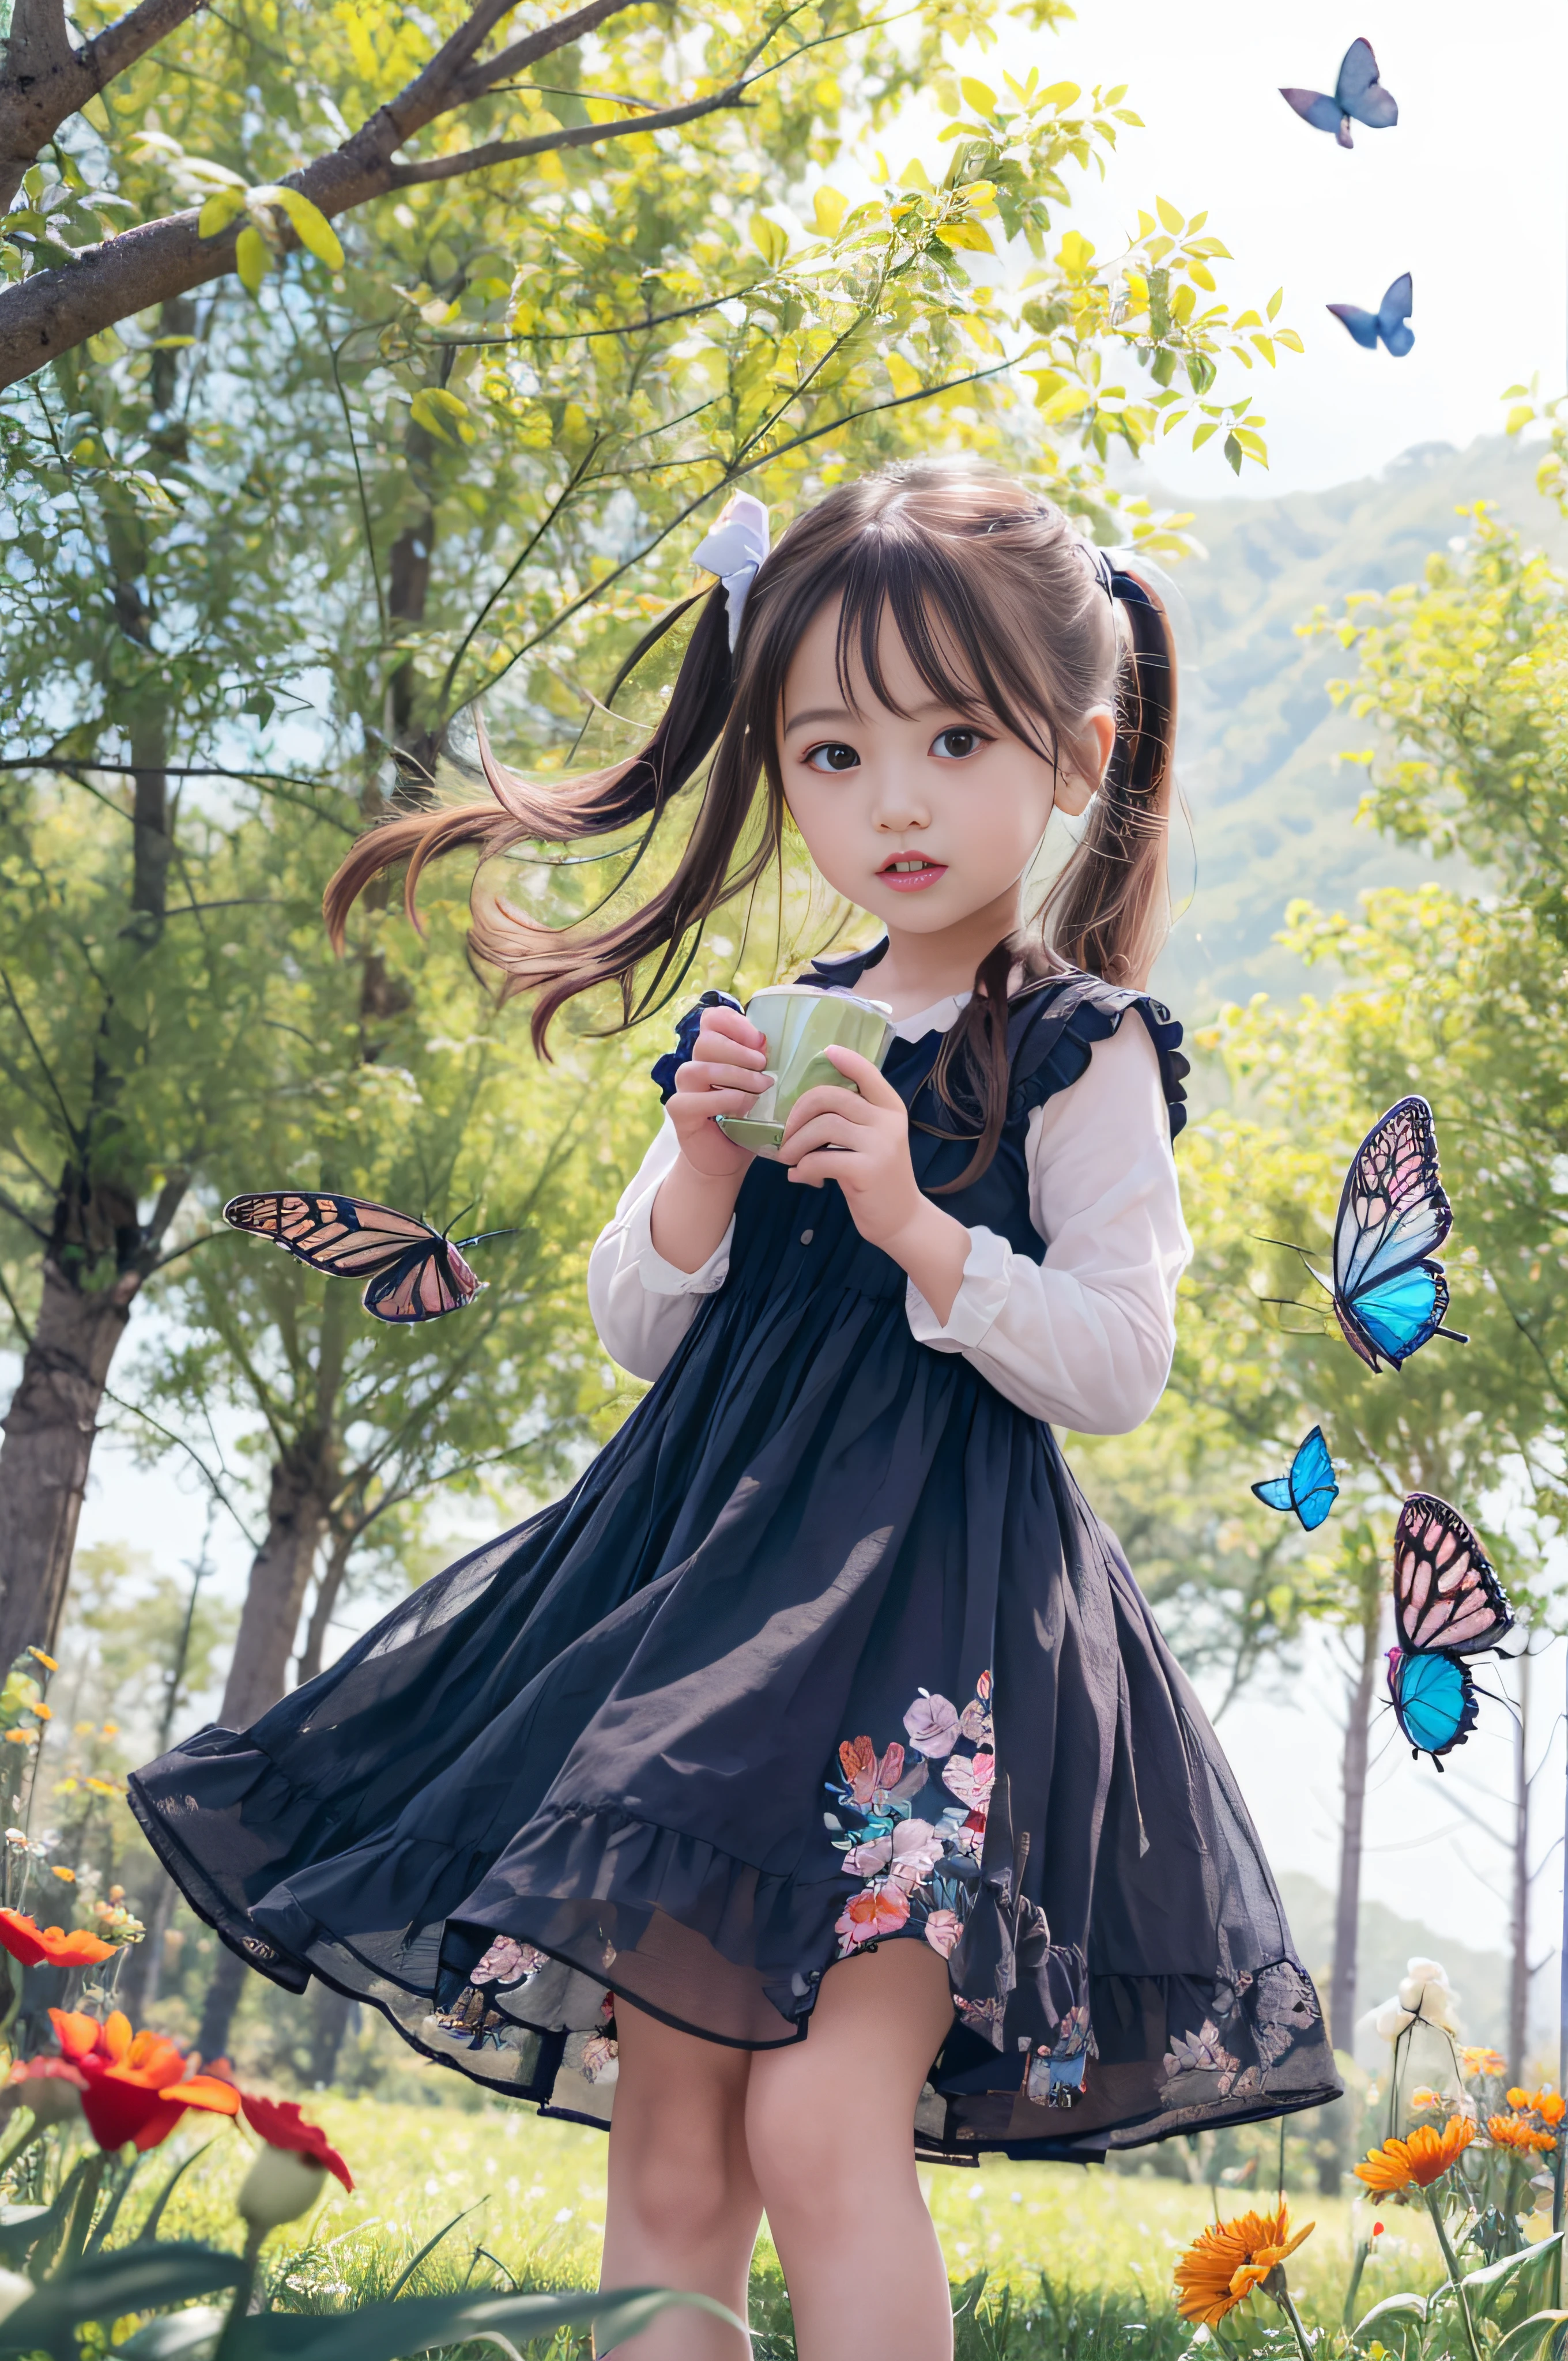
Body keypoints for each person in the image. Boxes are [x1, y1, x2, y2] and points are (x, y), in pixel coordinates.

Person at [130, 461, 1340, 2360]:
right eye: (833, 753)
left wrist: (922, 1229)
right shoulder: (784, 1021)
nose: (897, 801)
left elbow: (1118, 1361)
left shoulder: (1080, 1048)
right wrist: (701, 1167)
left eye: (953, 738)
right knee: (672, 2140)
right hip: (705, 1642)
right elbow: (637, 1320)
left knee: (819, 2114)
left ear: (1082, 754)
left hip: (934, 1652)